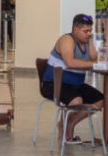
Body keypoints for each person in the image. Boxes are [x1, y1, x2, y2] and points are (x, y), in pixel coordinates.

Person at [42, 14, 104, 143]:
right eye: (85, 31)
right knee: (76, 101)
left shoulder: (88, 41)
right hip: (54, 84)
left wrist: (104, 57)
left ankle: (69, 124)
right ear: (75, 29)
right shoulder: (66, 40)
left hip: (75, 84)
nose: (88, 34)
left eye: (90, 31)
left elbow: (94, 57)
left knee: (100, 101)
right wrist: (95, 64)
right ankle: (65, 129)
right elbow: (70, 62)